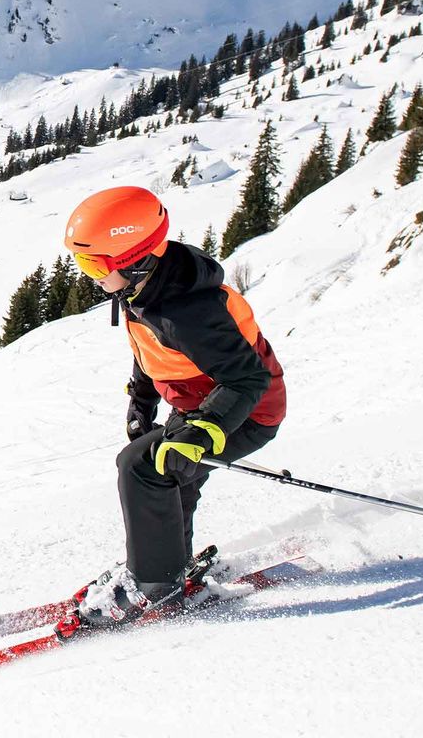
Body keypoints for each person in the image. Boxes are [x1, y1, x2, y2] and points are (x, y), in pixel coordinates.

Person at [59, 185, 286, 631]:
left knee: (140, 467)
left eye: (93, 264)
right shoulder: (149, 286)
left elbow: (248, 379)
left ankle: (153, 582)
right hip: (203, 403)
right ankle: (167, 565)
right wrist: (141, 401)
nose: (88, 275)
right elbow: (152, 350)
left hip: (248, 410)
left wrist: (201, 434)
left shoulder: (189, 311)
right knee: (171, 473)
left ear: (133, 259)